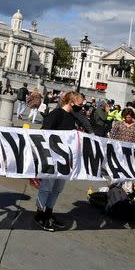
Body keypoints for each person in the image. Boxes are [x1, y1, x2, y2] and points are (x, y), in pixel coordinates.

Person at [33, 91, 85, 231]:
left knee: (57, 189)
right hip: (52, 157)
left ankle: (49, 212)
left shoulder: (72, 117)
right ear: (71, 102)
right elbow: (44, 133)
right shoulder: (56, 114)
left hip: (65, 160)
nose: (82, 107)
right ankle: (40, 214)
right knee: (46, 188)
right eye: (80, 104)